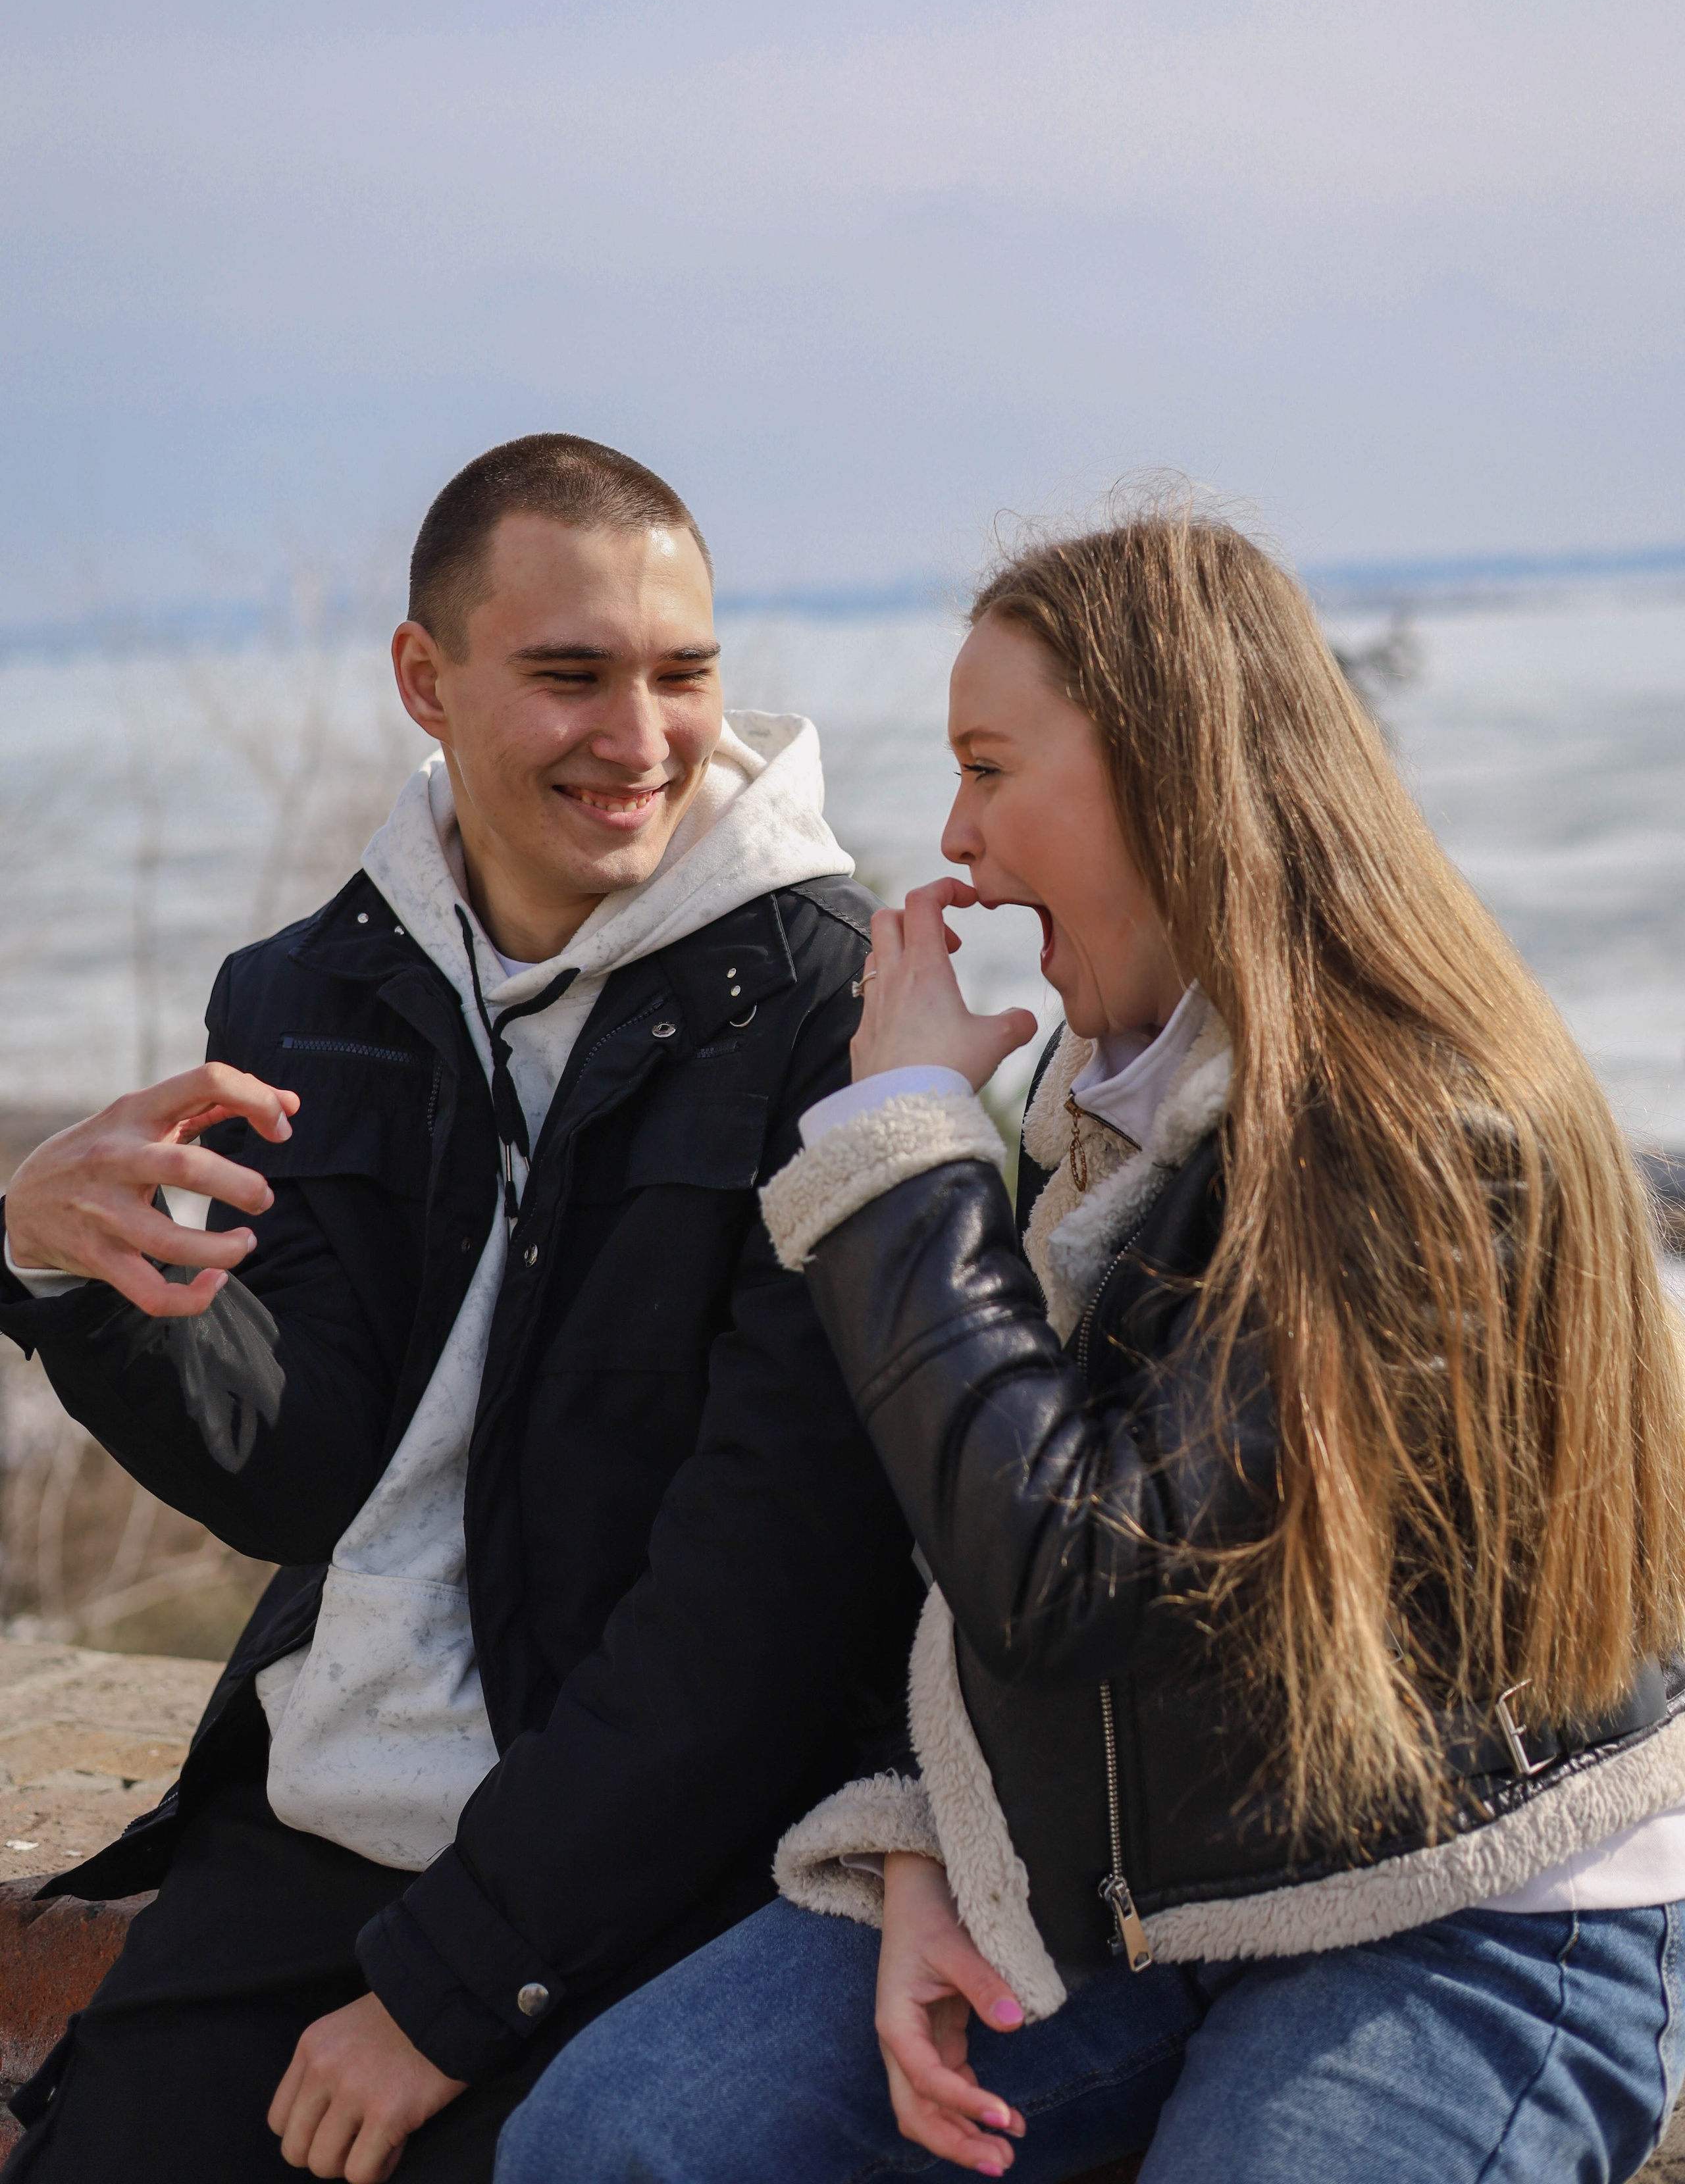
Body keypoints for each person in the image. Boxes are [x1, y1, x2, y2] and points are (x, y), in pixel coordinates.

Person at [498, 505, 1685, 2184]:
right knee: (620, 2143)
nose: (955, 841)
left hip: (1456, 1905)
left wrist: (904, 1147)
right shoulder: (1116, 1094)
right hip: (1154, 1882)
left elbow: (1072, 1563)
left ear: (1164, 774)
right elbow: (982, 1561)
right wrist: (925, 1844)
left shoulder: (1423, 1144)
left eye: (989, 768)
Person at [0, 434, 920, 2183]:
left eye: (683, 675)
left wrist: (447, 1987)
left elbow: (758, 1607)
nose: (639, 739)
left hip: (646, 1868)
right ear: (425, 680)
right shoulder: (302, 992)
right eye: (570, 676)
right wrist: (71, 1278)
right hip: (313, 1824)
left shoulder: (826, 1010)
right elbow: (305, 1476)